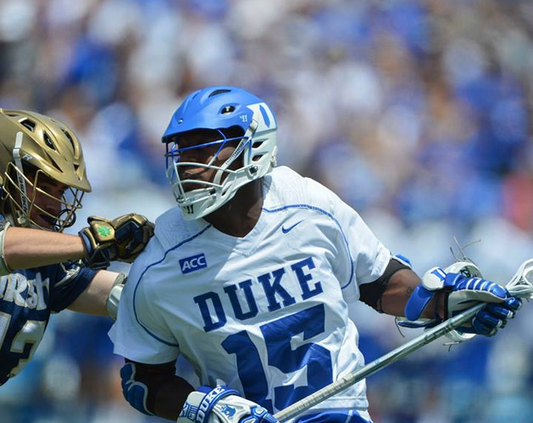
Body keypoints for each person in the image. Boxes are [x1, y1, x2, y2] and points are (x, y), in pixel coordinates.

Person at [109, 86, 522, 423]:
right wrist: (202, 406)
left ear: (255, 147)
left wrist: (444, 302)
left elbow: (379, 281)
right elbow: (143, 380)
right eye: (182, 153)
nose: (188, 168)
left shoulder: (307, 204)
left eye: (205, 150)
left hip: (339, 415)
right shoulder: (160, 260)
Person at [0, 108, 154, 386]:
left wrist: (170, 272)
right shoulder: (23, 247)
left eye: (61, 192)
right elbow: (5, 247)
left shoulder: (44, 263)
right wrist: (88, 242)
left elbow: (127, 295)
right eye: (45, 186)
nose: (56, 206)